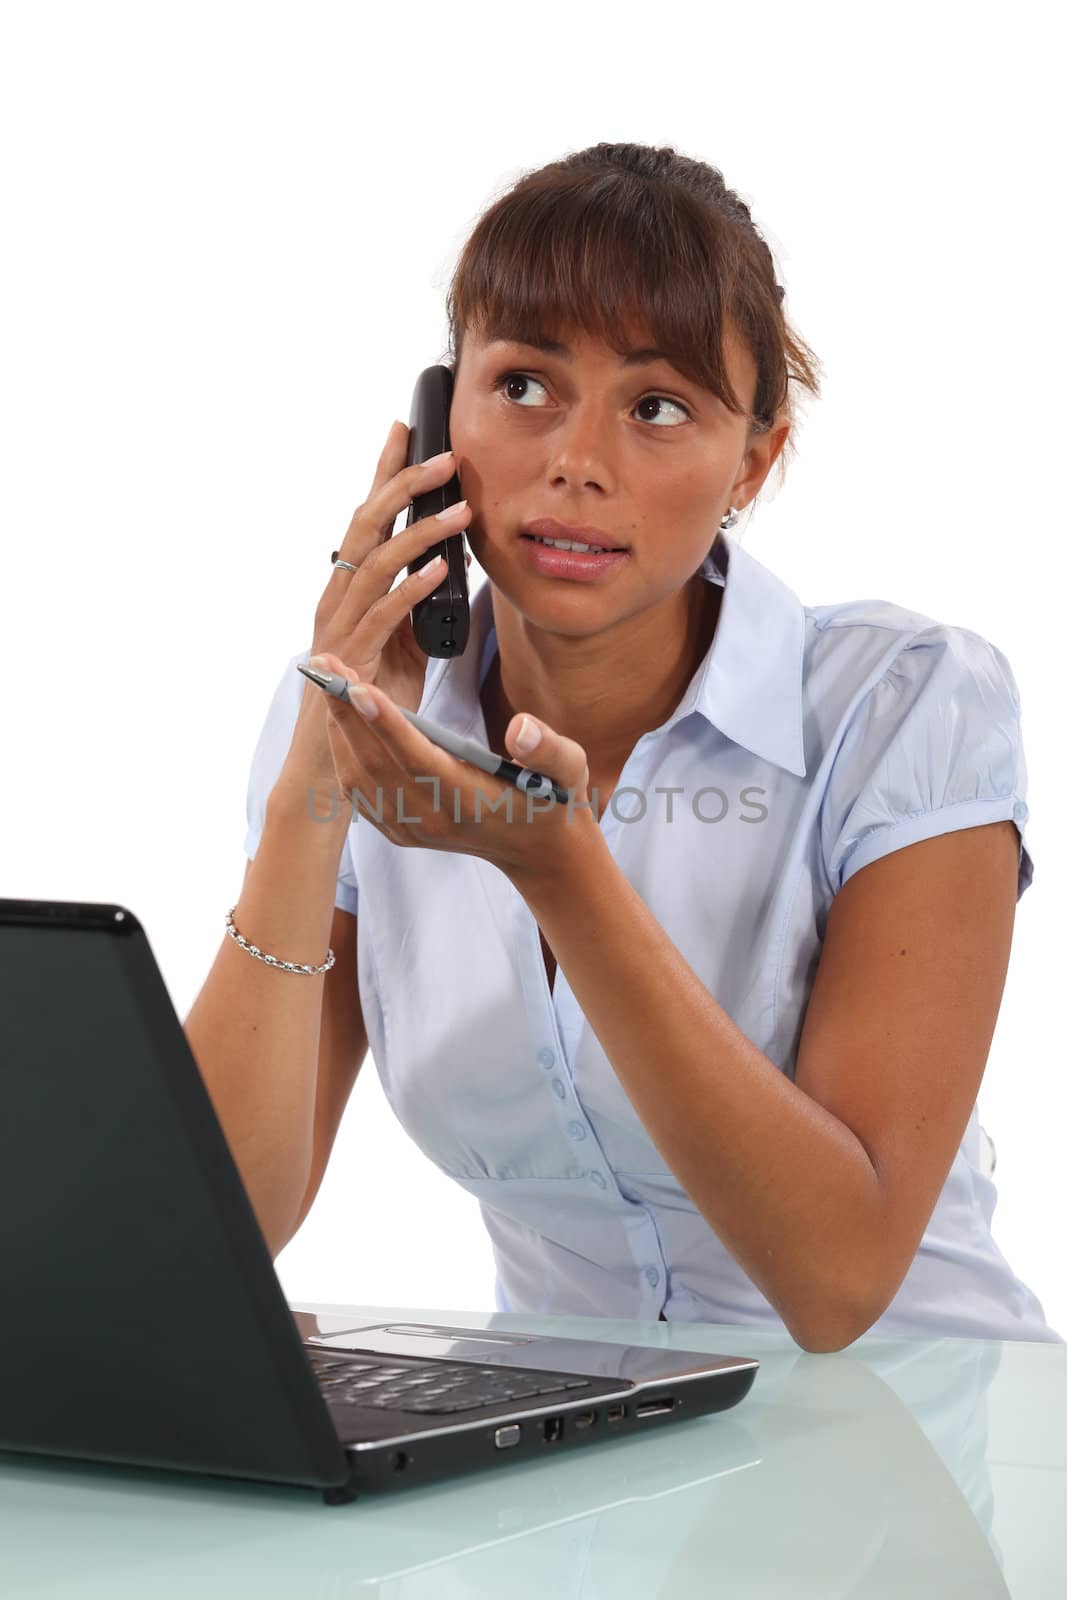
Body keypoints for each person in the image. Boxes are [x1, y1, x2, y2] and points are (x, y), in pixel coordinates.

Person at [184, 142, 1062, 1351]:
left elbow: (837, 1278)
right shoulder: (361, 721)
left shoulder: (902, 708)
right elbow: (219, 1229)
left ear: (752, 457)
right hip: (580, 1471)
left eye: (656, 407)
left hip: (919, 1435)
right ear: (441, 421)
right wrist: (311, 787)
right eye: (524, 387)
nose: (575, 462)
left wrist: (560, 871)